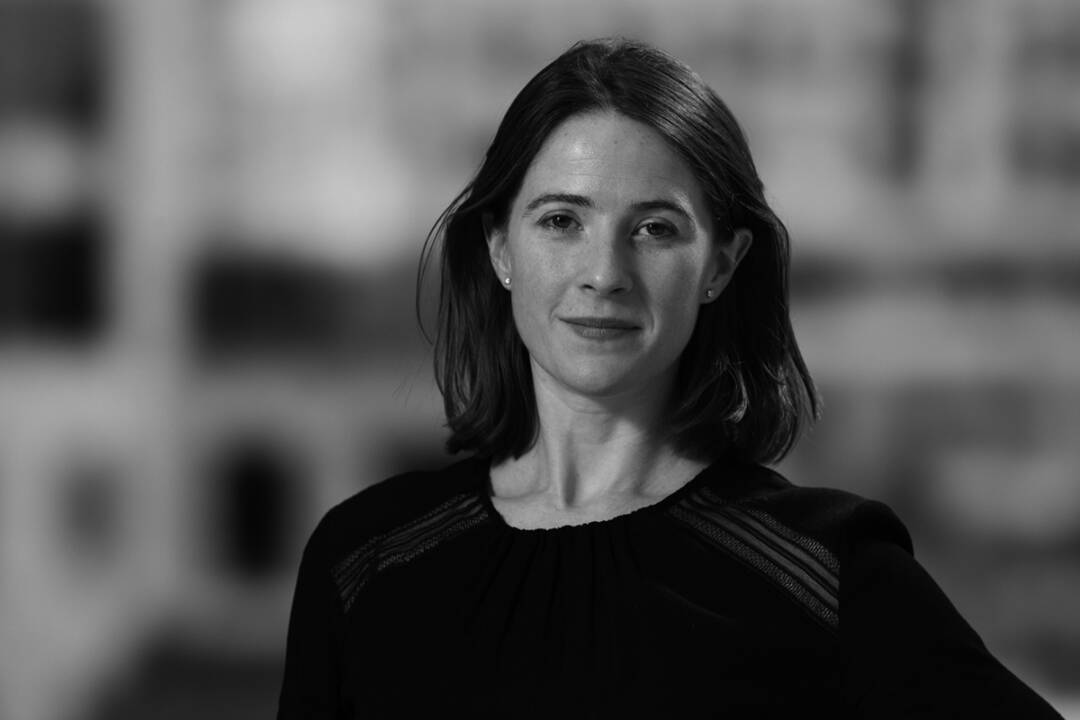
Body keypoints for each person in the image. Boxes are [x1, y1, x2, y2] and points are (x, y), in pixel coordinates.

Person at [277, 38, 1064, 718]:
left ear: (721, 263)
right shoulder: (366, 558)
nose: (604, 273)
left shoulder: (825, 571)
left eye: (655, 229)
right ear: (500, 248)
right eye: (561, 221)